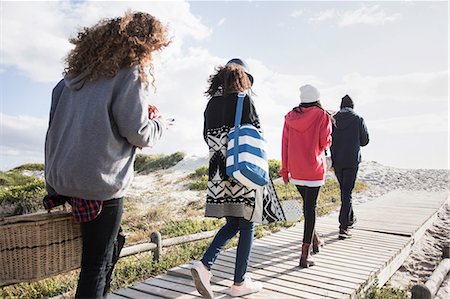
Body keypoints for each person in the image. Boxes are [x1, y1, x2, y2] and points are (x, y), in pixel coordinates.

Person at [44, 11, 171, 298]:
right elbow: (139, 134)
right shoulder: (129, 73)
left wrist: (51, 182)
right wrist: (160, 123)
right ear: (143, 45)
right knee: (95, 267)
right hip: (99, 184)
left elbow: (52, 132)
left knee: (105, 254)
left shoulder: (67, 81)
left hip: (64, 180)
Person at [190, 58, 264, 299]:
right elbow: (256, 139)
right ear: (243, 79)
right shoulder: (244, 101)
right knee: (247, 223)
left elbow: (206, 138)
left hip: (218, 173)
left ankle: (204, 264)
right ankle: (239, 282)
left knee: (233, 223)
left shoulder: (211, 104)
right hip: (241, 170)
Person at [280, 84, 332, 268]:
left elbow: (284, 145)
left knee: (307, 207)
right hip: (313, 169)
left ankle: (315, 240)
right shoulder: (322, 115)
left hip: (296, 170)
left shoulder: (290, 117)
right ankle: (305, 255)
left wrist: (285, 170)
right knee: (311, 209)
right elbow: (324, 142)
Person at [330, 94, 369, 240]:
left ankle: (350, 218)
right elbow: (365, 141)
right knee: (347, 193)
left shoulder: (333, 119)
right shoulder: (358, 119)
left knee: (344, 191)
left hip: (337, 160)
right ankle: (343, 227)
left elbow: (327, 138)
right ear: (352, 106)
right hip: (352, 160)